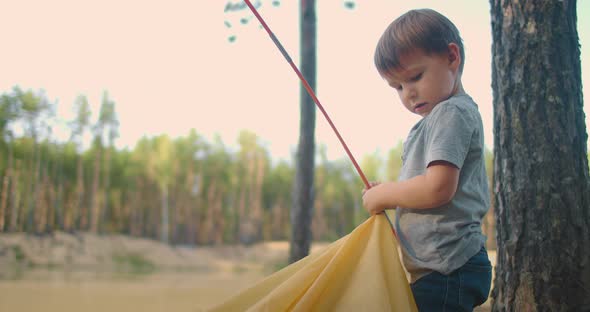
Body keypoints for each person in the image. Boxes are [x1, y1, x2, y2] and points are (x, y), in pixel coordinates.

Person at [361, 8, 492, 311]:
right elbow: (428, 186)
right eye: (398, 87)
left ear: (451, 57)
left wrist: (387, 194)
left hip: (449, 267)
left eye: (415, 77)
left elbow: (437, 189)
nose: (408, 93)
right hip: (442, 267)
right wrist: (393, 190)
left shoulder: (451, 113)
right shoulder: (438, 119)